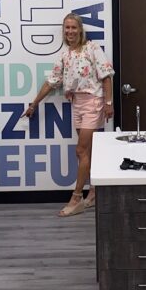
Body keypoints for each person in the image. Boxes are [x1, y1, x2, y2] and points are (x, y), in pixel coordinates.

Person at [24, 14, 114, 218]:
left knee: (80, 150)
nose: (70, 31)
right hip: (77, 104)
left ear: (80, 29)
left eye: (74, 27)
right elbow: (51, 81)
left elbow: (106, 76)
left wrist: (108, 103)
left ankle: (76, 198)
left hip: (93, 102)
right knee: (87, 152)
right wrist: (34, 103)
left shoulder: (92, 48)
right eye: (67, 28)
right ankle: (93, 192)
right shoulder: (65, 55)